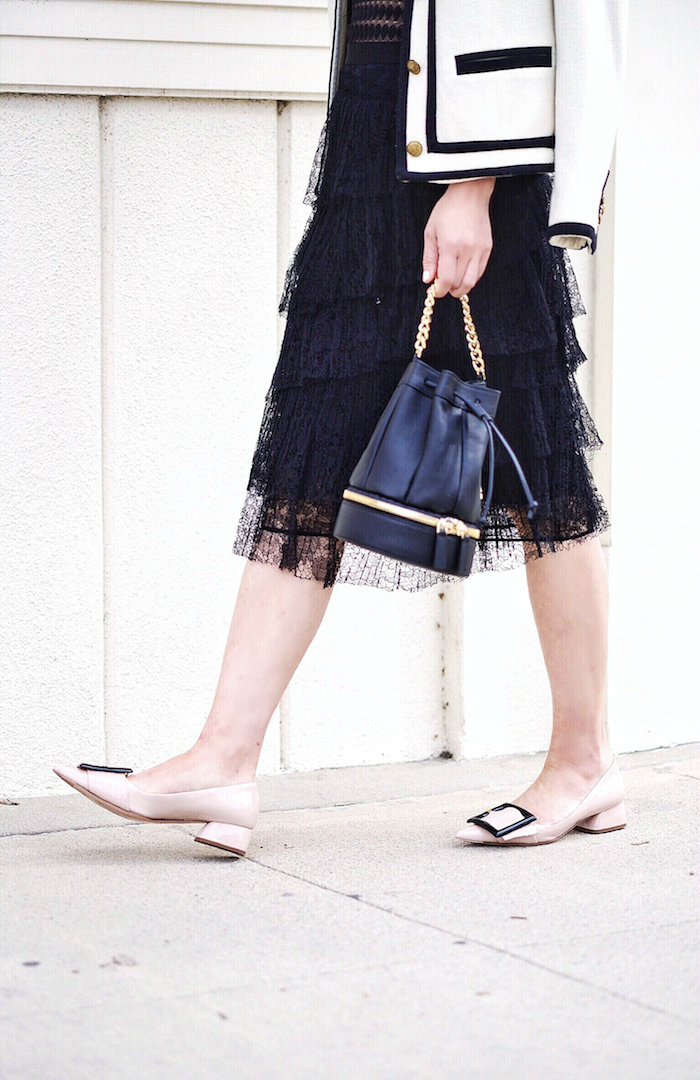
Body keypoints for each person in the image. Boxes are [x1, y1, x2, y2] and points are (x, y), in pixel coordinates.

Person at [54, 0, 628, 853]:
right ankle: (224, 757)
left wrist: (474, 187)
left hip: (469, 165)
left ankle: (584, 764)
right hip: (373, 133)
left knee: (539, 473)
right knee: (309, 443)